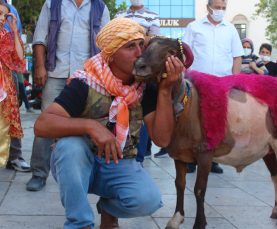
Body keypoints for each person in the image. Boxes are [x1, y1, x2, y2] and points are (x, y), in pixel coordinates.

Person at [34, 17, 183, 229]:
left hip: (118, 163)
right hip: (77, 164)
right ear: (111, 54)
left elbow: (162, 138)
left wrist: (165, 90)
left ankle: (108, 209)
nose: (140, 53)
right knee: (70, 147)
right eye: (130, 47)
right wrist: (90, 126)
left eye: (141, 44)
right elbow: (42, 125)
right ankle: (79, 223)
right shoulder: (86, 82)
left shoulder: (144, 86)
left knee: (148, 200)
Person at [26, 0, 110, 191]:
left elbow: (107, 45)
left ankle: (82, 175)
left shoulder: (100, 7)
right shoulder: (52, 4)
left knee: (86, 124)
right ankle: (39, 173)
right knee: (46, 122)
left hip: (87, 77)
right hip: (56, 73)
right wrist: (39, 66)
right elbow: (40, 38)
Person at [182, 0, 244, 173]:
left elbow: (237, 56)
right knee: (193, 119)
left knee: (216, 121)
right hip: (196, 82)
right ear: (208, 7)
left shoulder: (230, 29)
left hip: (221, 84)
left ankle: (213, 159)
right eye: (217, 7)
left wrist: (235, 80)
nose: (220, 11)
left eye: (223, 8)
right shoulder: (194, 27)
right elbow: (185, 54)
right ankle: (190, 159)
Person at [116, 0, 160, 162]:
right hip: (122, 71)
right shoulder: (119, 15)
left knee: (141, 114)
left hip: (143, 71)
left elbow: (154, 40)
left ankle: (138, 157)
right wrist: (142, 36)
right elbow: (115, 39)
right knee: (120, 109)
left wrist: (128, 37)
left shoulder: (152, 16)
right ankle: (120, 151)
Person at [0, 0, 30, 172]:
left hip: (6, 83)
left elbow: (19, 57)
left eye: (5, 15)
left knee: (10, 119)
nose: (2, 18)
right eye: (0, 14)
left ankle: (15, 157)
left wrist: (14, 28)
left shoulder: (6, 34)